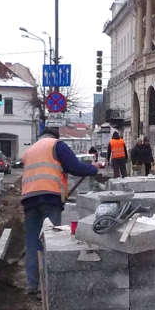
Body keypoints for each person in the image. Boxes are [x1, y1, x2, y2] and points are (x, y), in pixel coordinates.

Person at [21, 127, 103, 298]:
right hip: (50, 198)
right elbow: (75, 167)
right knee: (49, 240)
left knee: (32, 241)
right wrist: (93, 168)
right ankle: (46, 287)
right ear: (54, 137)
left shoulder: (30, 150)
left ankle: (32, 284)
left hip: (29, 198)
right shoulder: (56, 145)